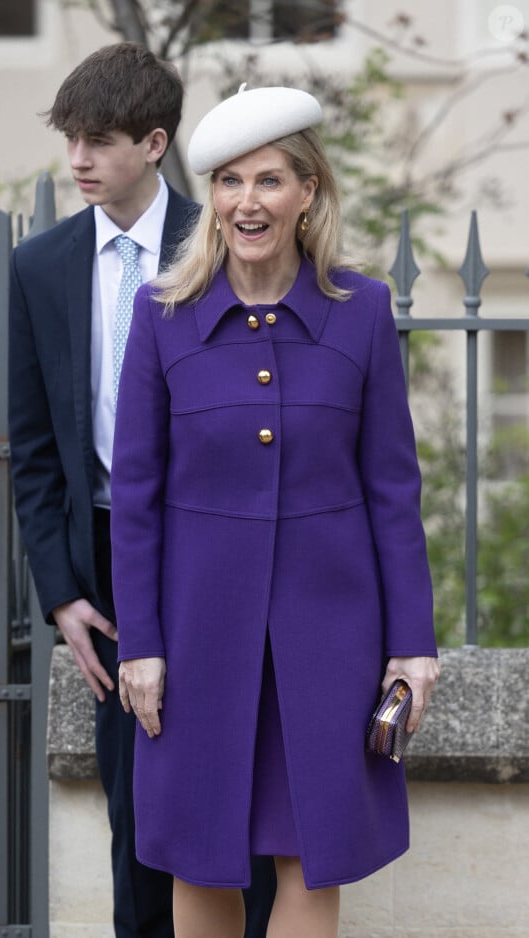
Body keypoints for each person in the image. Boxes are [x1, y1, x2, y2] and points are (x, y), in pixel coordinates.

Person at [111, 84, 440, 938]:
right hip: (195, 633)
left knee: (310, 849)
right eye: (228, 182)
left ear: (307, 194)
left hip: (330, 635)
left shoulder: (360, 311)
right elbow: (137, 500)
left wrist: (412, 644)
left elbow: (394, 489)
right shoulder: (162, 318)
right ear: (212, 199)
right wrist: (140, 645)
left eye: (267, 181)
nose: (245, 201)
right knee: (200, 850)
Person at [8, 46, 276, 938]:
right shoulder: (39, 266)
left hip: (222, 552)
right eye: (70, 140)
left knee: (245, 794)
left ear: (155, 142)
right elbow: (38, 448)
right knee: (140, 812)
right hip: (110, 569)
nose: (78, 159)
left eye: (99, 140)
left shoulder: (224, 241)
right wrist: (62, 596)